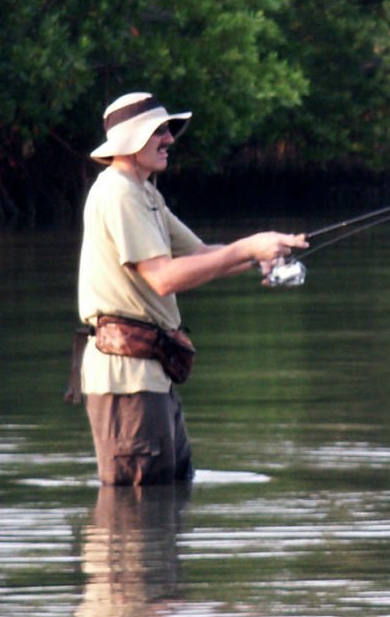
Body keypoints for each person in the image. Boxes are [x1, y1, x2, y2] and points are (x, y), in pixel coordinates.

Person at [72, 91, 306, 486]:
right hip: (126, 379)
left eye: (169, 129)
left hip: (151, 372)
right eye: (158, 131)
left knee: (171, 493)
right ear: (130, 140)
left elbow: (199, 253)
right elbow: (164, 277)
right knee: (136, 513)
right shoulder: (117, 193)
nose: (170, 139)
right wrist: (248, 247)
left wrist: (260, 256)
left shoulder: (145, 192)